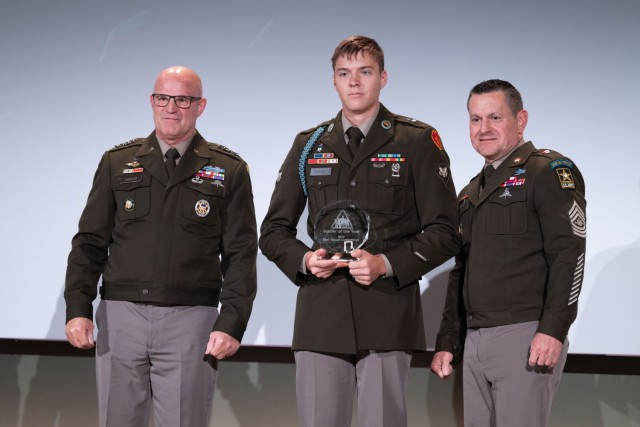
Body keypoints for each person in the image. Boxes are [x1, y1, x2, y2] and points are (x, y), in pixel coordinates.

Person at [259, 35, 460, 427]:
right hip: (321, 315)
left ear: (383, 78)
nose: (354, 82)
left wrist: (386, 263)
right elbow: (273, 231)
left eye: (364, 72)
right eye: (344, 74)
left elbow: (446, 231)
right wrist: (304, 259)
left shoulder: (416, 140)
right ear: (333, 81)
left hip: (387, 313)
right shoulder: (308, 145)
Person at [64, 66, 258, 427]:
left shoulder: (228, 169)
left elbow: (241, 255)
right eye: (163, 98)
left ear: (200, 106)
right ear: (152, 102)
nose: (171, 107)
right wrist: (77, 307)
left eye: (182, 99)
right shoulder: (117, 162)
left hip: (190, 320)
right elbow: (89, 243)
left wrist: (232, 322)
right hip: (121, 316)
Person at [431, 79, 587, 426]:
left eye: (494, 118)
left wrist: (553, 329)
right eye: (475, 119)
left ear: (521, 120)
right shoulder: (470, 192)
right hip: (475, 341)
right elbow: (462, 271)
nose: (483, 129)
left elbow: (569, 253)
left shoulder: (547, 171)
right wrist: (448, 340)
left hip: (526, 336)